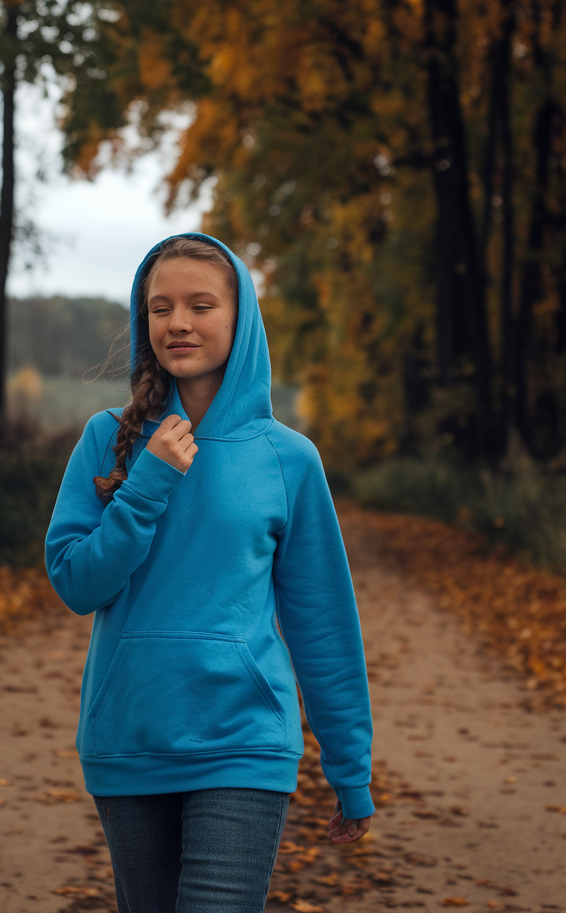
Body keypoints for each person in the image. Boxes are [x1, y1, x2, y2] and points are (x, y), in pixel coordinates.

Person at [44, 233, 374, 912]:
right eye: (160, 308)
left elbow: (323, 625)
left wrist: (350, 770)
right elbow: (78, 584)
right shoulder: (107, 440)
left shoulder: (288, 459)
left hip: (243, 737)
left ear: (240, 317)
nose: (179, 323)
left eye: (200, 305)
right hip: (129, 735)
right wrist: (148, 483)